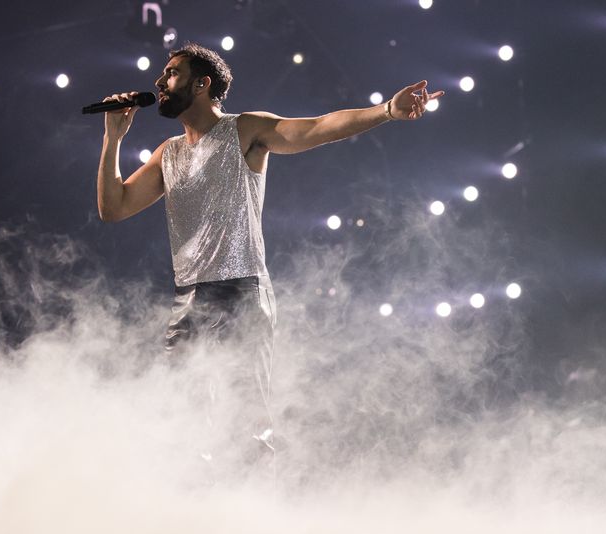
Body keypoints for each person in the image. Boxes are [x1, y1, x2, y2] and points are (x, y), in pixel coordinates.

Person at [95, 43, 443, 480]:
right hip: (188, 299)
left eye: (171, 74)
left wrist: (387, 110)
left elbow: (318, 126)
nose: (158, 83)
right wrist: (113, 139)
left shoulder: (245, 130)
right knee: (181, 418)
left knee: (243, 422)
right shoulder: (169, 153)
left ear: (202, 84)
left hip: (241, 292)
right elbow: (114, 207)